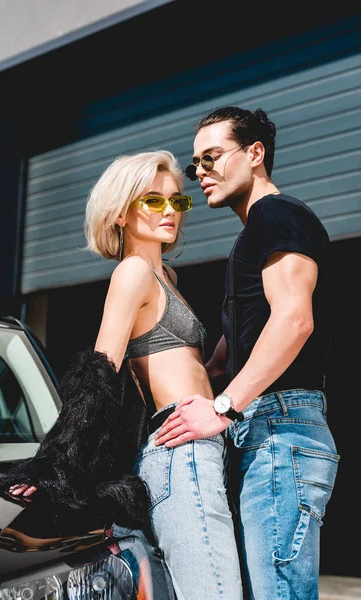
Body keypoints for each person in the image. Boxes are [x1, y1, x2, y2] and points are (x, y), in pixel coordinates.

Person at [0, 150, 243, 600]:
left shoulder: (164, 274)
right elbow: (100, 373)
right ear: (120, 212)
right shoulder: (132, 273)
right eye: (153, 200)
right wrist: (55, 466)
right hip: (182, 456)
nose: (170, 211)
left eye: (177, 202)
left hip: (198, 452)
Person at [155, 106, 340, 600]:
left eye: (212, 157)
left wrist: (220, 408)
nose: (200, 174)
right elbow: (223, 359)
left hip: (279, 427)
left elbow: (294, 320)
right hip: (262, 429)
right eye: (196, 164)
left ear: (255, 153)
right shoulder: (252, 234)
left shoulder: (278, 215)